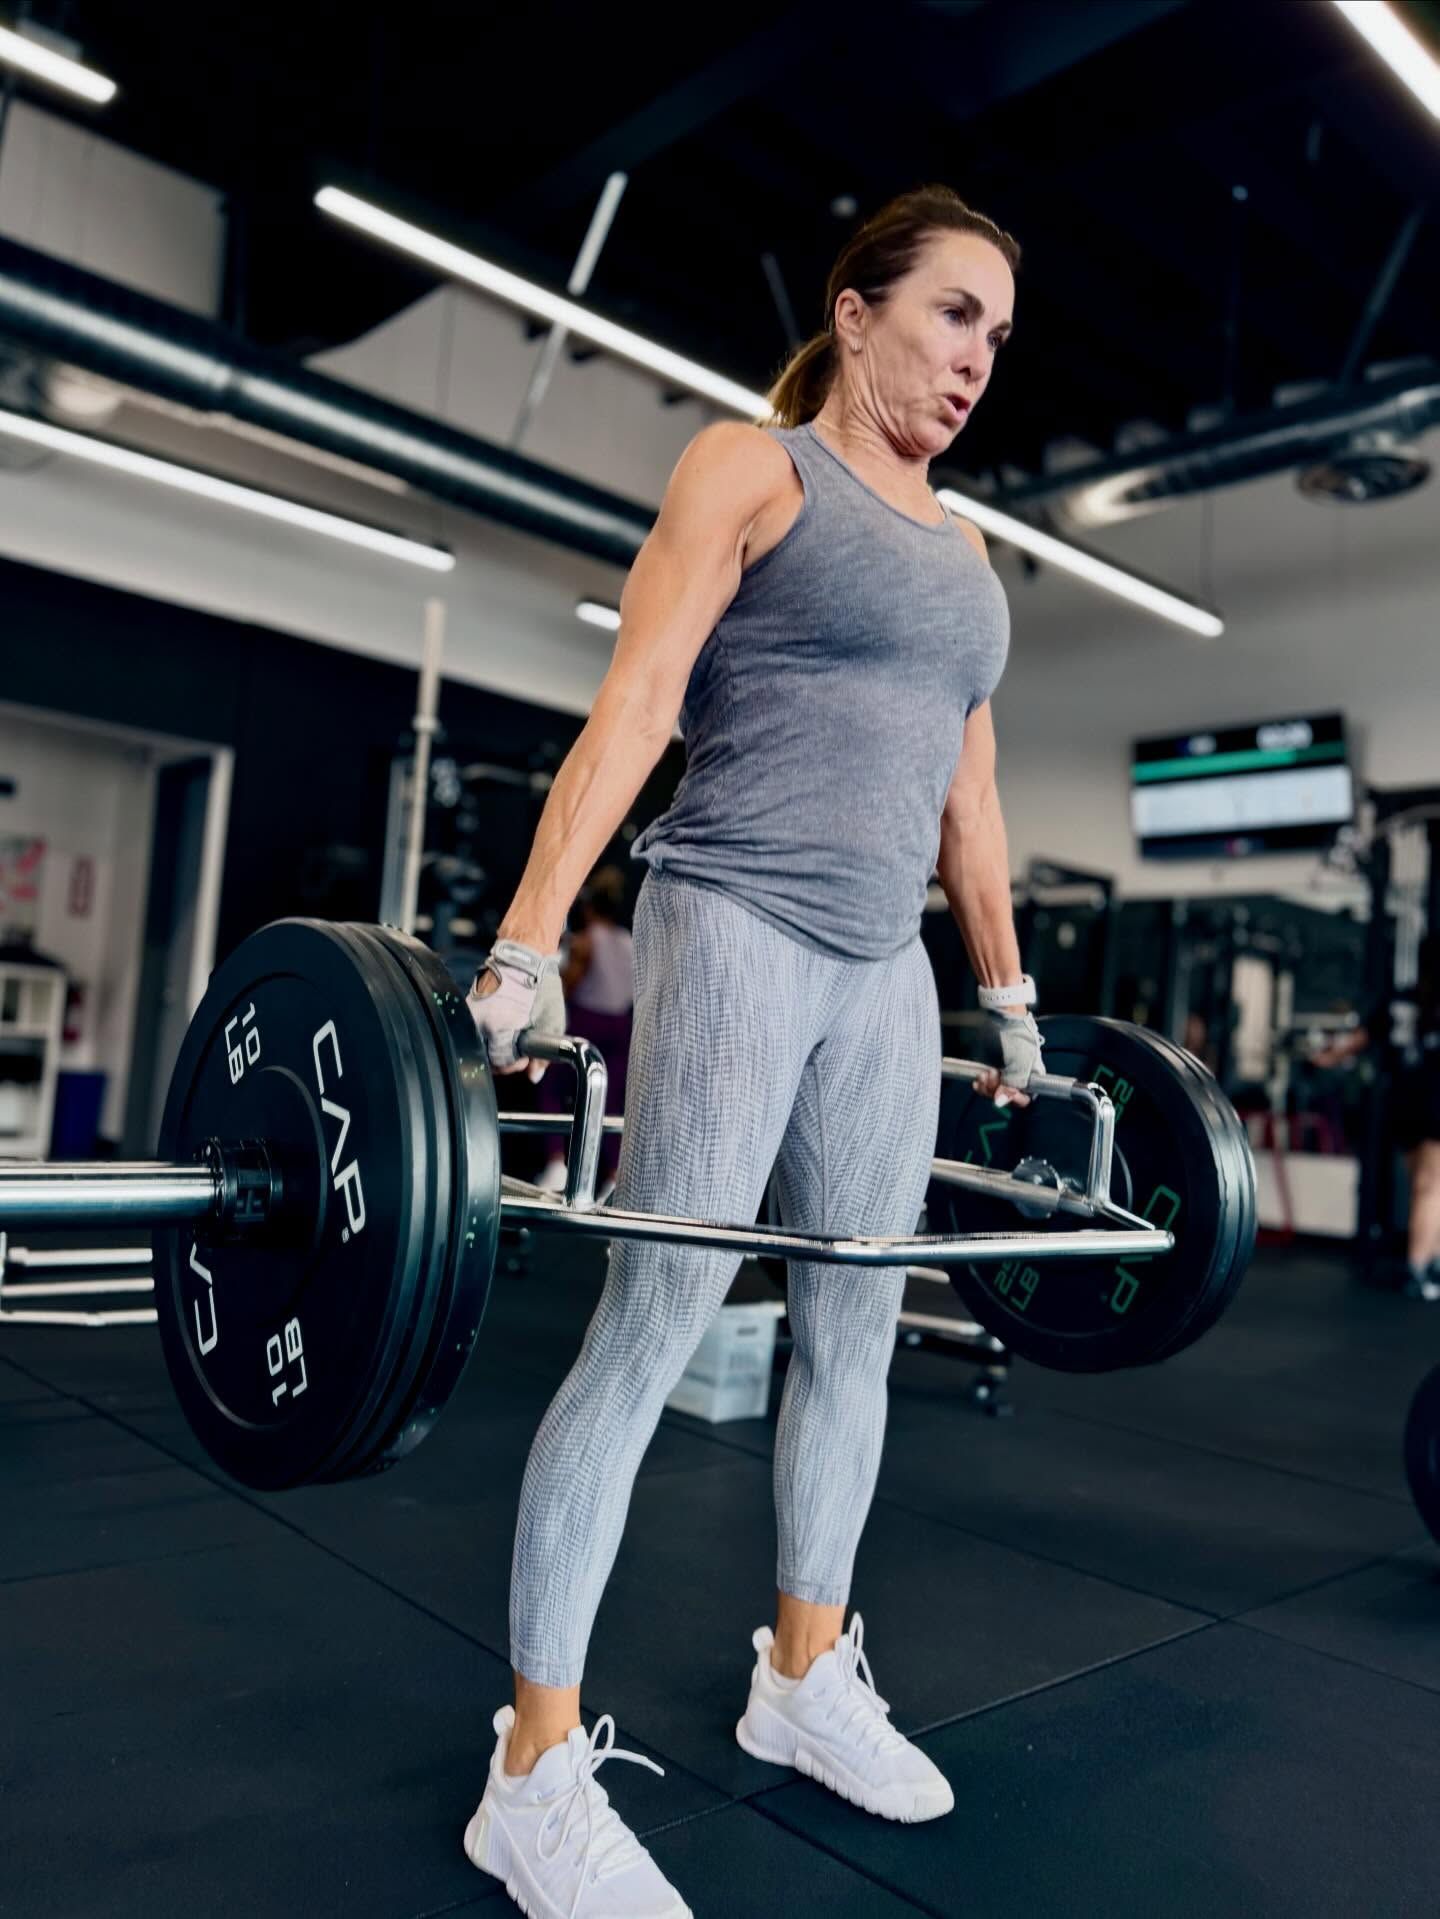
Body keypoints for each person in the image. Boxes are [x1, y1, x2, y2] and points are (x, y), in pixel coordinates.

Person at [464, 185, 1040, 1919]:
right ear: (856, 311)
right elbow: (637, 701)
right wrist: (521, 940)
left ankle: (800, 1673)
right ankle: (532, 1765)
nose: (974, 362)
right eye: (952, 315)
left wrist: (1010, 1001)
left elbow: (974, 800)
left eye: (998, 338)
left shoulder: (970, 557)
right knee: (657, 1316)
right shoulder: (751, 467)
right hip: (734, 917)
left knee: (855, 1322)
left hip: (886, 972)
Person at [1312, 935, 1440, 1299]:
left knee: (1427, 1185)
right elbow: (1361, 1037)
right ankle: (1420, 1266)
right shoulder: (1404, 1001)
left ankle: (1428, 1261)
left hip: (1408, 1103)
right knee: (1430, 1185)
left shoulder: (1403, 999)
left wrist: (1329, 1057)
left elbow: (1358, 1039)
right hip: (1422, 1103)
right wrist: (1326, 1058)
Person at [534, 866, 635, 1201]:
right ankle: (613, 1176)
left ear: (589, 907)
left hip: (587, 1024)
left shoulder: (585, 941)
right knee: (611, 1100)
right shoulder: (628, 941)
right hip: (621, 1027)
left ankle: (555, 1162)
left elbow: (566, 988)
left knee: (549, 1082)